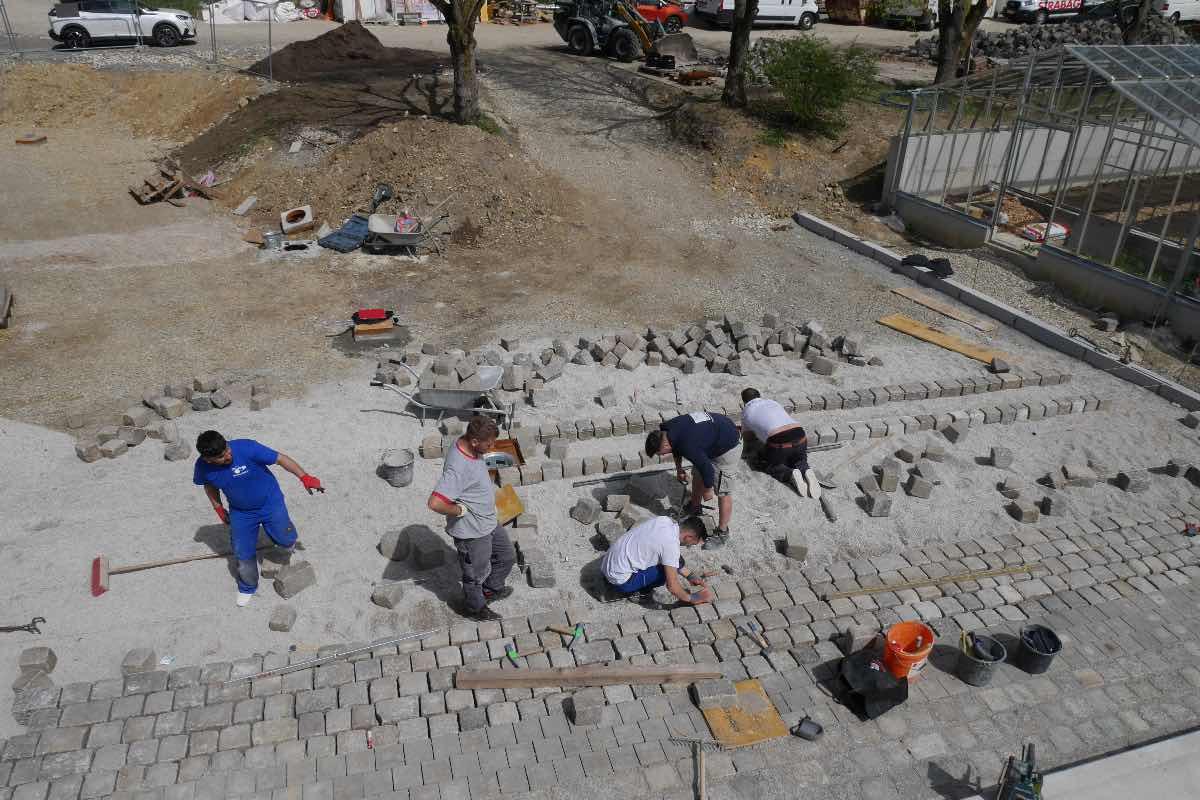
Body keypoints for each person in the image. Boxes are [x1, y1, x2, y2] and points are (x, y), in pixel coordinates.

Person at [193, 430, 324, 607]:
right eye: (222, 457)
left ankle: (287, 545)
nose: (228, 455)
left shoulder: (246, 447)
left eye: (227, 449)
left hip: (270, 502)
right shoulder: (202, 467)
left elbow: (281, 458)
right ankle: (247, 587)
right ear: (208, 460)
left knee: (285, 538)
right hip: (241, 512)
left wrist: (305, 477)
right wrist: (218, 507)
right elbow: (209, 485)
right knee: (242, 552)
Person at [427, 415, 516, 622]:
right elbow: (435, 503)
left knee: (506, 556)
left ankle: (490, 590)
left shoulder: (469, 444)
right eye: (489, 444)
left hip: (487, 520)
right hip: (472, 531)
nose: (492, 446)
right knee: (475, 573)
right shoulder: (457, 469)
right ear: (474, 442)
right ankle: (474, 608)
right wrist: (458, 511)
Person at [645, 411, 741, 550]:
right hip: (710, 438)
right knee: (697, 473)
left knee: (722, 490)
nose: (663, 455)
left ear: (665, 446)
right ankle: (695, 506)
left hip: (728, 444)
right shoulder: (667, 429)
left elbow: (707, 469)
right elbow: (676, 449)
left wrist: (708, 490)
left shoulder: (688, 445)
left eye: (661, 454)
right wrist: (679, 469)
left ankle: (722, 532)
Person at [601, 515, 713, 605]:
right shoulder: (670, 545)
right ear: (688, 537)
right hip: (620, 580)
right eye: (692, 544)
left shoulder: (664, 520)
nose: (689, 546)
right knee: (664, 573)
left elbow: (672, 556)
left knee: (673, 560)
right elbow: (672, 587)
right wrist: (693, 598)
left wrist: (689, 575)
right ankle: (636, 592)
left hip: (607, 564)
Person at [740, 387, 821, 499]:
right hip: (800, 435)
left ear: (745, 402)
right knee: (798, 458)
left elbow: (748, 438)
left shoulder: (746, 412)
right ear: (759, 396)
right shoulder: (772, 402)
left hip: (779, 443)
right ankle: (805, 469)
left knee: (769, 465)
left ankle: (790, 474)